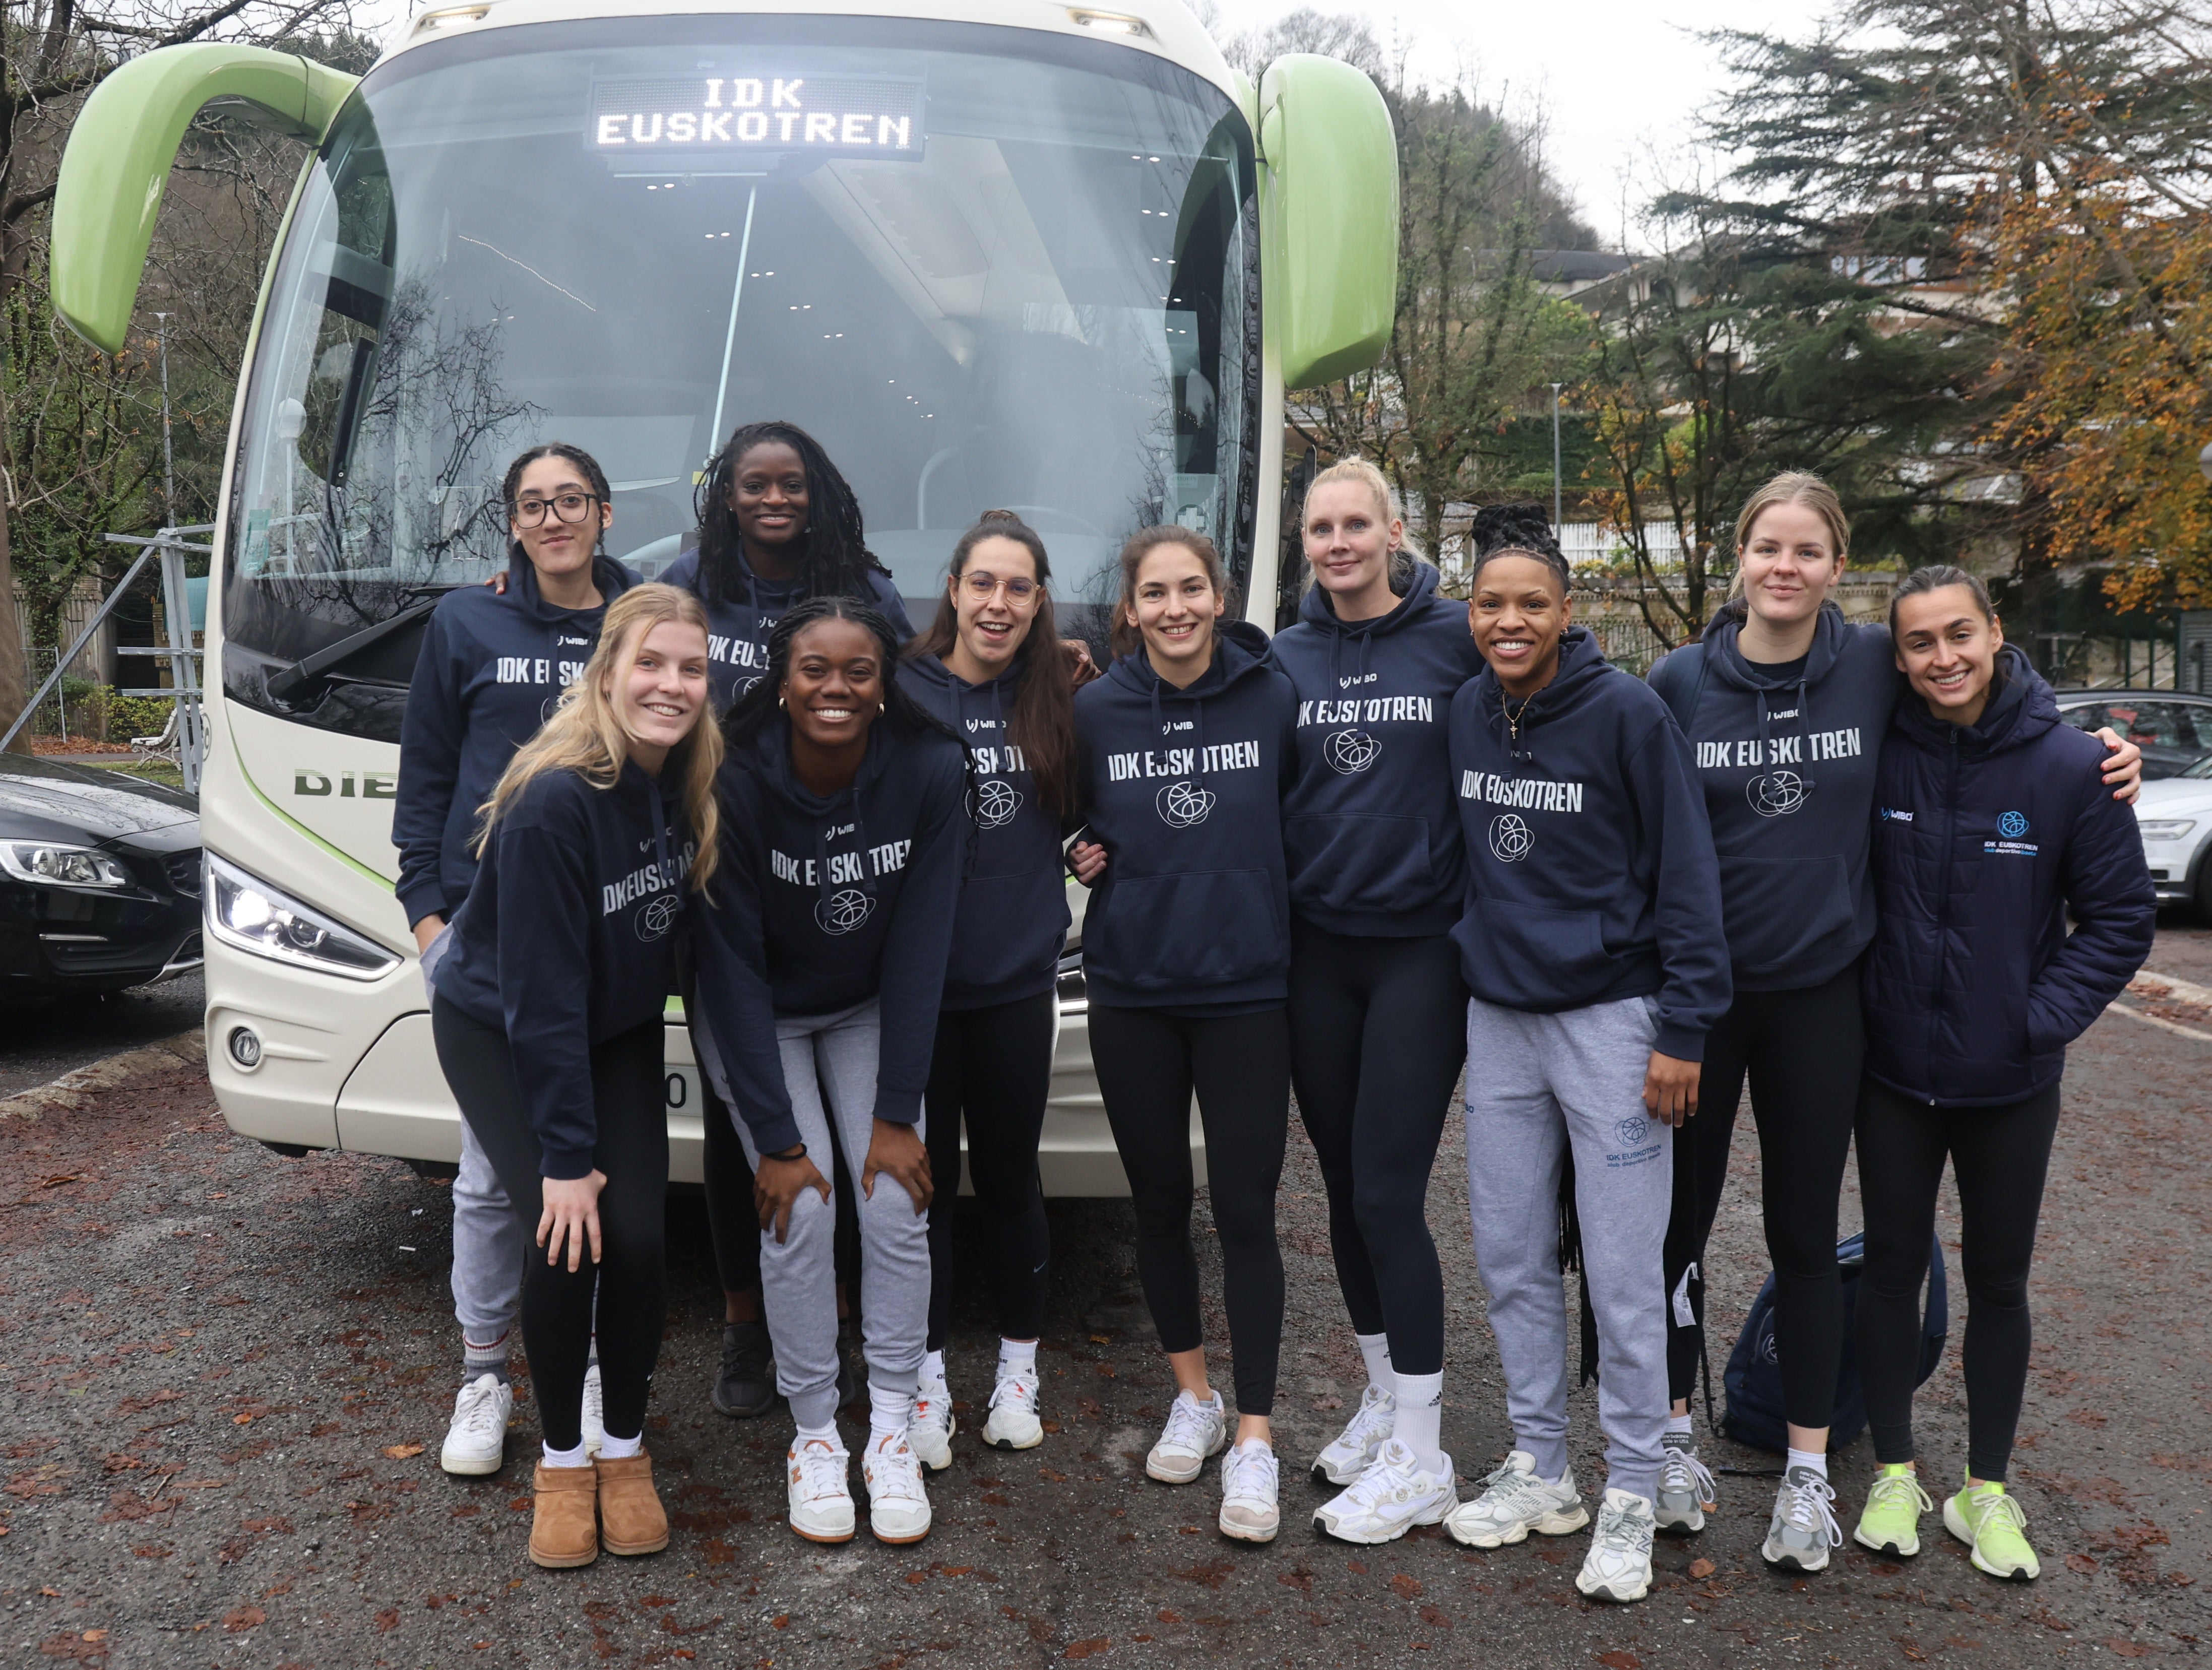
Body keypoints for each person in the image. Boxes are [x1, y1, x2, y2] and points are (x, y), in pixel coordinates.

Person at [1646, 474, 2144, 1571]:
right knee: (1676, 1233)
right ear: (1738, 555)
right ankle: (1677, 1446)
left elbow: (1981, 678)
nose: (1785, 565)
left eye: (1808, 550)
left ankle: (1820, 1476)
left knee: (1811, 1237)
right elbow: (1629, 809)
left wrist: (2102, 748)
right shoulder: (1681, 680)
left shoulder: (1870, 664)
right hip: (1720, 1005)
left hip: (1836, 1007)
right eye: (1765, 546)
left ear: (1836, 566)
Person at [1439, 514, 1730, 1607]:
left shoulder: (1624, 713)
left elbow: (1686, 875)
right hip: (1499, 1018)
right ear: (1468, 617)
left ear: (1566, 614)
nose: (1506, 621)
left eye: (1528, 603)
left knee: (1620, 1274)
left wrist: (1682, 1028)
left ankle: (1630, 1490)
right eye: (1487, 604)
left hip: (1613, 1020)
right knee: (1507, 1249)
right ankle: (1540, 1467)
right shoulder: (1467, 712)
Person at [1848, 567, 2153, 1581]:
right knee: (1888, 1273)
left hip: (2009, 1080)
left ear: (1993, 633)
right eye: (1919, 642)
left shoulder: (2070, 767)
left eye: (1957, 633)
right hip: (1890, 1070)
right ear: (1895, 657)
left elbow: (2117, 921)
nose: (1941, 657)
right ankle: (1892, 1468)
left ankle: (1983, 1485)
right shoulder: (1875, 749)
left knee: (1998, 1281)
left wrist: (2034, 1021)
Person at [428, 582, 720, 1569]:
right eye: (651, 662)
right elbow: (544, 999)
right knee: (569, 1230)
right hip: (503, 1030)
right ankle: (561, 1461)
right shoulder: (557, 800)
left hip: (617, 1028)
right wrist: (563, 1158)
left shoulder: (683, 781)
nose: (670, 685)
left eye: (690, 667)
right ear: (606, 671)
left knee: (637, 1235)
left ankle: (624, 1451)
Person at [687, 597, 970, 1546]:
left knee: (894, 1197)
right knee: (801, 1207)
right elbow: (724, 964)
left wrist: (897, 1113)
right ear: (781, 679)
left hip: (865, 1008)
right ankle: (814, 1435)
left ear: (885, 684)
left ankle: (890, 1425)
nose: (836, 688)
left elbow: (924, 944)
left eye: (858, 670)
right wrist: (774, 1137)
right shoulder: (731, 774)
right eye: (815, 669)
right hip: (758, 1012)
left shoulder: (930, 768)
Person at [394, 442, 638, 1479]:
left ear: (605, 512)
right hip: (481, 951)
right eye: (533, 505)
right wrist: (427, 924)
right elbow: (424, 779)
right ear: (514, 523)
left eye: (570, 500)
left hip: (599, 946)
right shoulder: (466, 622)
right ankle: (485, 1372)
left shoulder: (637, 624)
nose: (552, 520)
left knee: (586, 1169)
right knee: (497, 1175)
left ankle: (581, 1362)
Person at [662, 419, 913, 1419]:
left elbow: (911, 678)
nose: (774, 500)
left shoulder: (857, 579)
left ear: (818, 494)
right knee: (744, 1134)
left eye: (792, 485)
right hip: (709, 878)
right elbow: (622, 638)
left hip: (822, 875)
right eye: (755, 484)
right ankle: (743, 1330)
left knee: (828, 1153)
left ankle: (839, 1322)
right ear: (726, 494)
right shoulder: (692, 580)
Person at [1262, 461, 1483, 1544]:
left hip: (1418, 954)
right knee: (1344, 1189)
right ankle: (1384, 1392)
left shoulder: (1450, 638)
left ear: (1396, 532)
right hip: (1317, 954)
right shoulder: (1284, 656)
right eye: (1321, 527)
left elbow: (1557, 688)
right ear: (1303, 543)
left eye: (1357, 524)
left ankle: (1423, 1453)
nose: (1339, 542)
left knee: (1390, 1193)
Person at [1067, 527, 1299, 1543]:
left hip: (1247, 988)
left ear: (1216, 597)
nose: (1173, 607)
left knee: (1244, 1210)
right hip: (1133, 991)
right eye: (1154, 593)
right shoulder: (1094, 709)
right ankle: (1193, 1397)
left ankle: (1253, 1434)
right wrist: (1072, 846)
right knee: (1157, 1204)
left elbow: (1306, 813)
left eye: (1190, 589)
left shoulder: (1269, 693)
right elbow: (1063, 819)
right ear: (1129, 609)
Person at [898, 511, 1080, 1465]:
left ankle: (1017, 1368)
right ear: (955, 589)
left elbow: (1097, 812)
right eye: (983, 583)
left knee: (1010, 1180)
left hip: (1016, 983)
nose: (998, 603)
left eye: (1018, 587)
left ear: (1038, 601)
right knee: (917, 1192)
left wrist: (1096, 846)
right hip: (918, 993)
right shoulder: (901, 689)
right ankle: (924, 1377)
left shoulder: (1062, 693)